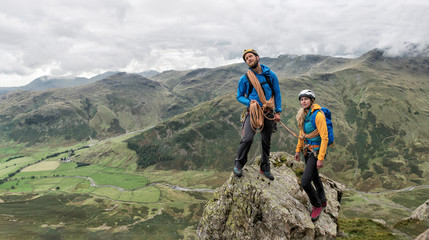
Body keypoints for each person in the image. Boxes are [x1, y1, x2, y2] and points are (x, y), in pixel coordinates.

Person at [233, 49, 282, 180]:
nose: (249, 59)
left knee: (266, 141)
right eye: (246, 58)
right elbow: (239, 96)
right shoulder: (245, 79)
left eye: (250, 56)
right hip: (253, 111)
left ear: (257, 57)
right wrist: (249, 102)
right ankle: (238, 164)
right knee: (247, 138)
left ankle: (265, 167)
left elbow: (276, 94)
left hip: (268, 112)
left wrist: (278, 111)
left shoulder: (271, 75)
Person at [294, 89, 328, 222]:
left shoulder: (318, 115)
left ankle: (317, 205)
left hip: (316, 151)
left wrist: (320, 158)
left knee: (305, 182)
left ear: (311, 101)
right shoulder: (303, 114)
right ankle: (323, 200)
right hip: (307, 151)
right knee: (314, 176)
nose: (303, 102)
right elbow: (302, 134)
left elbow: (324, 137)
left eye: (306, 99)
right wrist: (298, 150)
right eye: (301, 100)